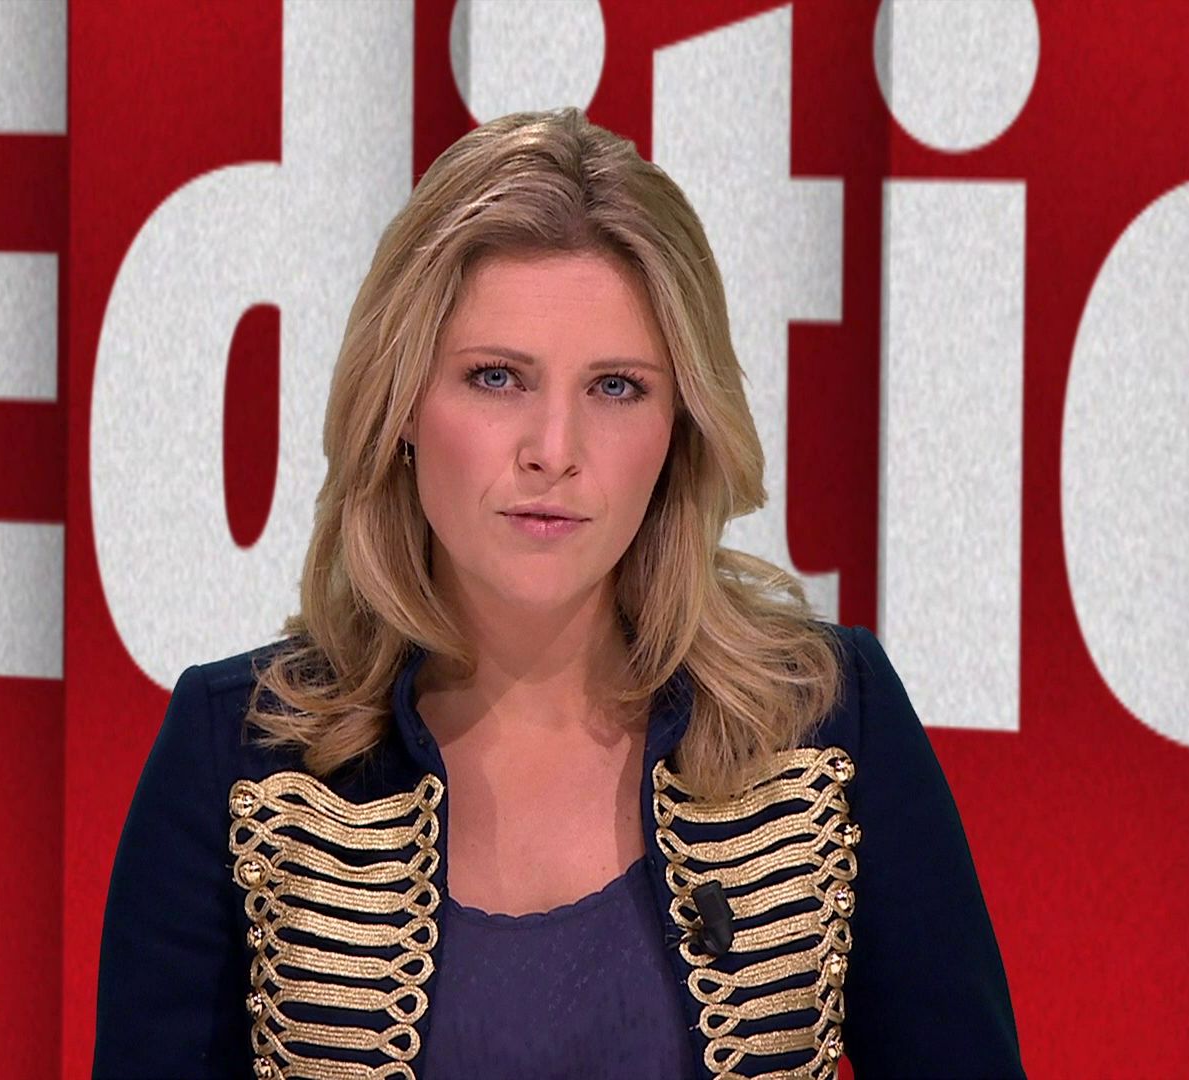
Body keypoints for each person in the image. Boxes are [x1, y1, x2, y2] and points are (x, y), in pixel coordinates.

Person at [93, 107, 1023, 1080]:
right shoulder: (238, 751)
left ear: (680, 426)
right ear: (402, 405)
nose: (554, 449)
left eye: (615, 387)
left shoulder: (826, 716)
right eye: (497, 378)